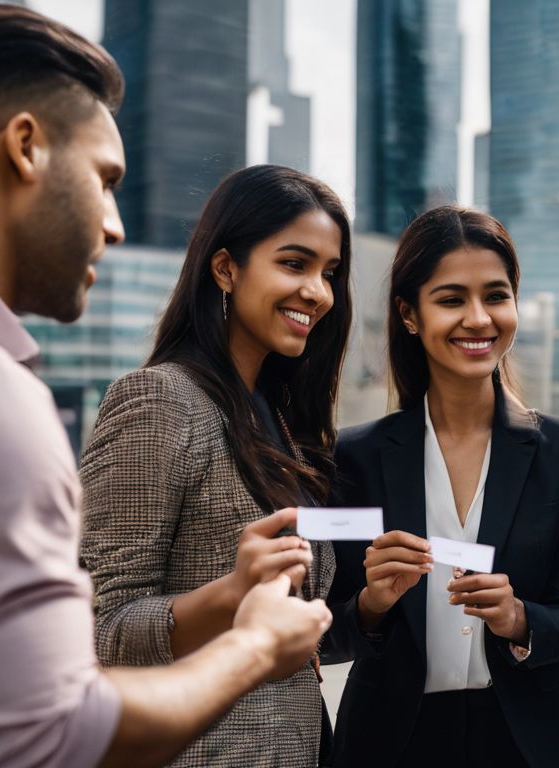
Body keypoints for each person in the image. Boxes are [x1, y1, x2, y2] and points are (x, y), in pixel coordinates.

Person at [0, 6, 331, 768]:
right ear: (25, 147)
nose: (115, 224)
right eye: (105, 179)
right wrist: (253, 645)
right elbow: (50, 737)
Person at [78, 164, 352, 767]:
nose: (318, 292)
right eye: (294, 263)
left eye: (329, 273)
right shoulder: (157, 401)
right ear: (226, 268)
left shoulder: (281, 422)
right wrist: (231, 595)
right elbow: (97, 631)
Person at [321, 205, 559, 767]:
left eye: (496, 296)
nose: (478, 318)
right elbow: (323, 634)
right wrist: (373, 603)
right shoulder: (354, 456)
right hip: (391, 742)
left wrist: (519, 618)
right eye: (452, 299)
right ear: (409, 314)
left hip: (529, 740)